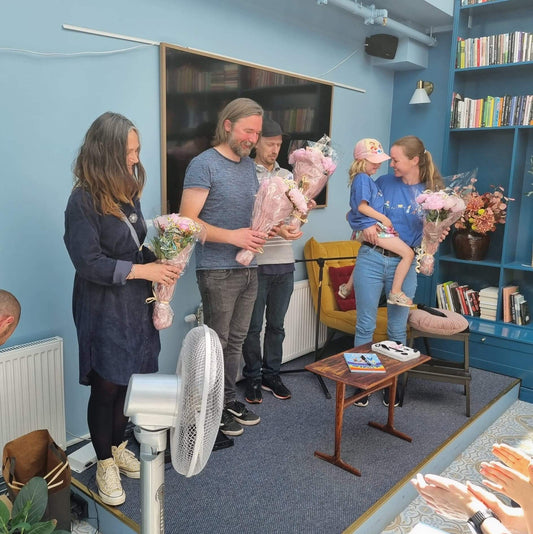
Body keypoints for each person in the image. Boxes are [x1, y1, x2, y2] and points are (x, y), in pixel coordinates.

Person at [64, 112, 182, 506]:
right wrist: (143, 268)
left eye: (137, 151)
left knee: (128, 380)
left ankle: (117, 445)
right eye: (129, 152)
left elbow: (133, 246)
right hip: (101, 305)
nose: (135, 159)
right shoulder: (81, 200)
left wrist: (164, 259)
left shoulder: (126, 191)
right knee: (106, 384)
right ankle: (102, 462)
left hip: (133, 301)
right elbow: (89, 262)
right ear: (106, 152)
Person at [179, 98, 267, 437]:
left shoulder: (248, 167)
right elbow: (186, 222)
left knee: (237, 342)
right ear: (228, 124)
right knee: (217, 343)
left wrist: (277, 227)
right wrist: (233, 237)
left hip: (249, 268)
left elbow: (252, 218)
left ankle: (226, 400)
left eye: (257, 133)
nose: (252, 139)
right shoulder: (203, 165)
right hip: (216, 270)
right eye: (248, 131)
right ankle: (207, 410)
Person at [353, 135, 444, 406]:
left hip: (404, 265)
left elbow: (433, 233)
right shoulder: (381, 182)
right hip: (371, 257)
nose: (390, 164)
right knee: (365, 325)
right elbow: (357, 213)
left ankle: (391, 385)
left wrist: (438, 233)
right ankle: (363, 383)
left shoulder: (431, 194)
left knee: (396, 329)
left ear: (414, 160)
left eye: (395, 159)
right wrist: (362, 226)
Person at [242, 118, 304, 404]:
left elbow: (293, 215)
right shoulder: (244, 172)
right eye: (270, 144)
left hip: (284, 261)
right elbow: (245, 215)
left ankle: (272, 374)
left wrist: (300, 218)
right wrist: (275, 226)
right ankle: (252, 377)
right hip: (255, 262)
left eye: (279, 145)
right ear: (256, 142)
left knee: (276, 325)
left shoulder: (289, 175)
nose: (275, 150)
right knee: (252, 327)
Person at [340, 138, 414, 307]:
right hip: (375, 227)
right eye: (373, 162)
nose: (378, 165)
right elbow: (362, 207)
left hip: (369, 227)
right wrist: (384, 219)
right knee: (408, 254)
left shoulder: (364, 180)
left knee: (362, 256)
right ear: (361, 160)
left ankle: (347, 287)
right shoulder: (363, 179)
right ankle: (395, 292)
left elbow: (352, 210)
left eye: (379, 162)